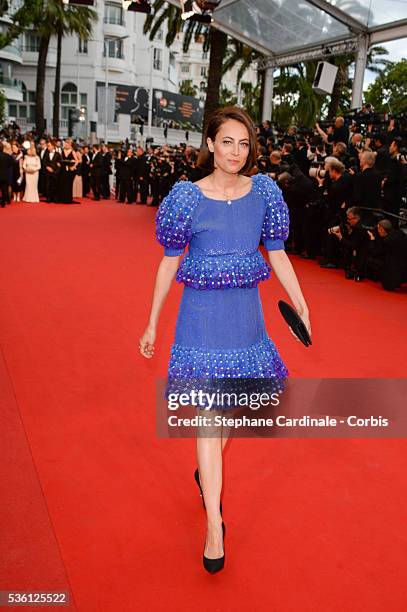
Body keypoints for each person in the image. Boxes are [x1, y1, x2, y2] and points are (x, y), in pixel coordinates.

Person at [139, 106, 311, 574]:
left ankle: (205, 471)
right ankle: (214, 523)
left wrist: (301, 302)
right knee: (209, 418)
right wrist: (152, 321)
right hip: (201, 321)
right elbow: (169, 262)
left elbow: (277, 254)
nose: (235, 151)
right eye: (226, 141)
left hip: (245, 320)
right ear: (210, 144)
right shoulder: (185, 199)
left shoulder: (266, 194)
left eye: (243, 143)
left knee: (233, 413)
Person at [59, 138, 78, 203]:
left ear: (70, 144)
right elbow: (60, 159)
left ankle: (68, 199)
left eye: (67, 143)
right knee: (62, 183)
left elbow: (77, 161)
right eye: (65, 143)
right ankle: (62, 198)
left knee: (69, 184)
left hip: (70, 170)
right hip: (63, 169)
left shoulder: (72, 151)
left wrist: (73, 166)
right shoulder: (62, 151)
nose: (66, 145)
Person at [0, 141, 13, 207]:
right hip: (5, 175)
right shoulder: (7, 156)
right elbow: (10, 165)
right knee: (4, 189)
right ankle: (3, 203)